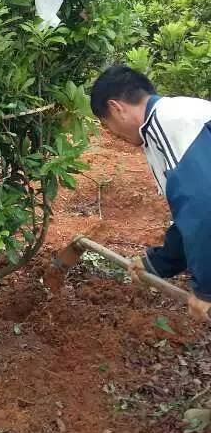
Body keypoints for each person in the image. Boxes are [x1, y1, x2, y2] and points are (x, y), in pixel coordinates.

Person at [90, 65, 211, 322]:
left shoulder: (170, 125)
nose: (112, 133)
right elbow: (188, 215)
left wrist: (206, 289)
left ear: (116, 108)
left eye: (106, 124)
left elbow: (202, 208)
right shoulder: (174, 118)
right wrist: (158, 264)